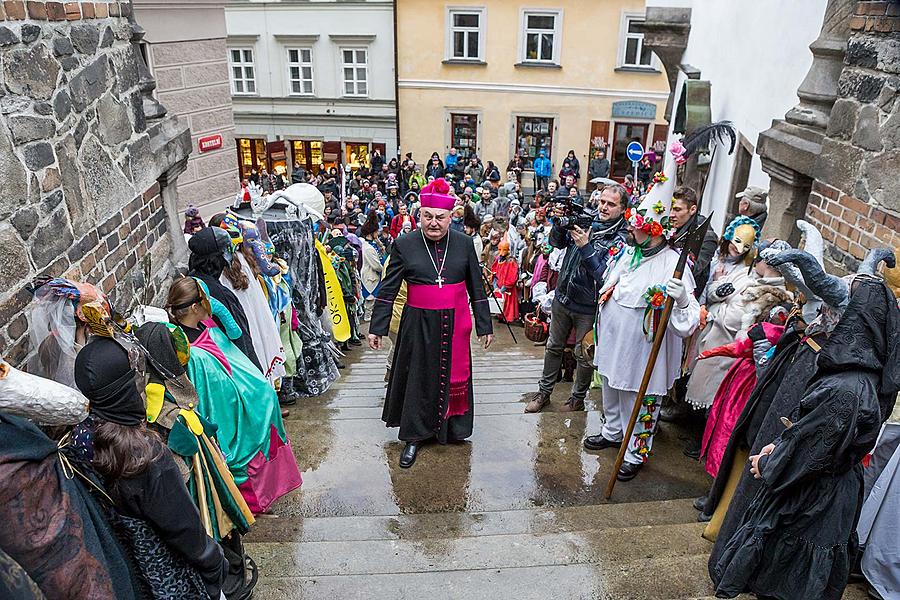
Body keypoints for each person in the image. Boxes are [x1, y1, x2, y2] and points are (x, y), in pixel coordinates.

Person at [711, 276, 899, 600]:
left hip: (814, 504)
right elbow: (821, 438)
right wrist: (783, 444)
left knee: (787, 583)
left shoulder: (846, 390)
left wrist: (768, 462)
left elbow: (807, 457)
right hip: (826, 492)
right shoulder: (863, 376)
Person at [73, 337, 228, 599]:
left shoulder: (73, 439)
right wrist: (216, 562)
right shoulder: (144, 456)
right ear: (127, 387)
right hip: (165, 573)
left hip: (118, 569)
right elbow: (183, 529)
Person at [583, 143, 701, 481]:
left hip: (644, 352)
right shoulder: (628, 254)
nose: (630, 230)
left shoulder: (674, 266)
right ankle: (612, 432)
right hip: (615, 345)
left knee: (641, 400)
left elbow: (689, 320)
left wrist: (679, 300)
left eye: (637, 227)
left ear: (655, 231)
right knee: (611, 388)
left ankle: (635, 451)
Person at [368, 178, 493, 468]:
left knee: (451, 375)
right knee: (418, 379)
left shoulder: (463, 244)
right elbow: (388, 288)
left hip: (455, 322)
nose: (433, 223)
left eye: (440, 217)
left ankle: (451, 429)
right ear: (419, 215)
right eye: (428, 216)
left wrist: (485, 326)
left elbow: (477, 287)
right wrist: (377, 327)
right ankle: (413, 436)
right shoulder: (404, 244)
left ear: (451, 217)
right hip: (417, 323)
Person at [165, 276, 302, 514]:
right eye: (206, 299)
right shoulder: (195, 355)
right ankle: (252, 500)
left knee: (267, 406)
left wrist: (217, 309)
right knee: (253, 431)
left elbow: (235, 333)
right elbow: (218, 397)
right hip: (231, 407)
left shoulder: (202, 325)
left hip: (240, 387)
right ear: (196, 306)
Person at [525, 185, 629, 413]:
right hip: (563, 298)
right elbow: (557, 243)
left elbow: (605, 276)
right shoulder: (586, 219)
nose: (603, 207)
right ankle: (544, 393)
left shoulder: (622, 238)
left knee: (584, 355)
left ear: (622, 209)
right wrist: (560, 224)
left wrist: (585, 247)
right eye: (602, 201)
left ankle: (577, 399)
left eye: (611, 204)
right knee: (553, 347)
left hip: (589, 306)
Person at [188, 225, 263, 373]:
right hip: (233, 369)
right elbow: (241, 341)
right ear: (217, 260)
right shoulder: (219, 294)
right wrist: (257, 376)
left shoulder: (193, 282)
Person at [491, 238, 520, 324]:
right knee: (500, 303)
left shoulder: (511, 261)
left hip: (507, 289)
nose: (501, 252)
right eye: (499, 249)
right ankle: (500, 315)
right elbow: (494, 270)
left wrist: (506, 286)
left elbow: (512, 276)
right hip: (499, 286)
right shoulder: (498, 258)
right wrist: (495, 283)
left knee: (507, 305)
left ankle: (507, 318)